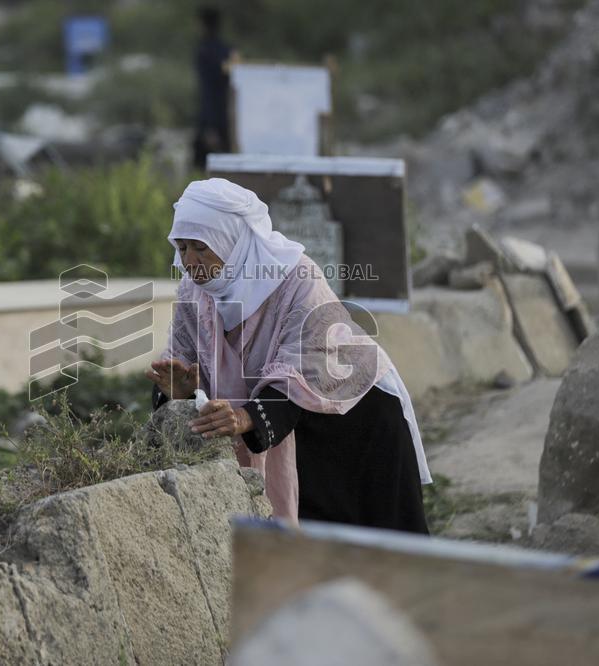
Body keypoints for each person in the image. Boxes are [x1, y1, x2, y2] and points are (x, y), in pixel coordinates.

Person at [145, 178, 432, 534]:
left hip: (357, 426)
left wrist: (245, 417)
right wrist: (179, 390)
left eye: (201, 248)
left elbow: (308, 364)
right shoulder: (196, 292)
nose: (189, 261)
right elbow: (180, 358)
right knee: (308, 561)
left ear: (232, 242)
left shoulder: (297, 278)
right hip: (286, 431)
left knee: (387, 547)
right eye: (182, 247)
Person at [192, 7, 234, 170]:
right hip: (229, 119)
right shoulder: (228, 50)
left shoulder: (204, 51)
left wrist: (209, 126)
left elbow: (208, 91)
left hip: (211, 120)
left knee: (203, 169)